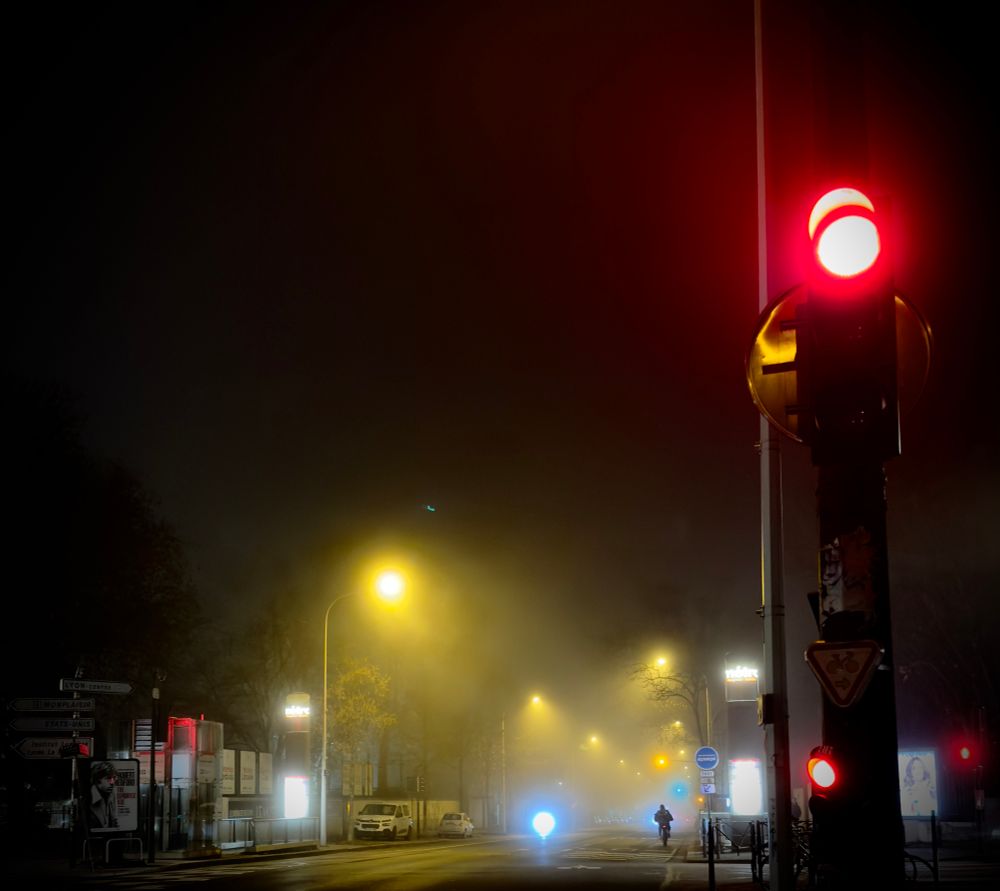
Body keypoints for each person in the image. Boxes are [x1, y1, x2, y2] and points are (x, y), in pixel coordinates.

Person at [88, 761, 119, 829]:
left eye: (114, 778)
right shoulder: (89, 798)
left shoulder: (111, 794)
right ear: (98, 781)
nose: (112, 782)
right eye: (108, 778)